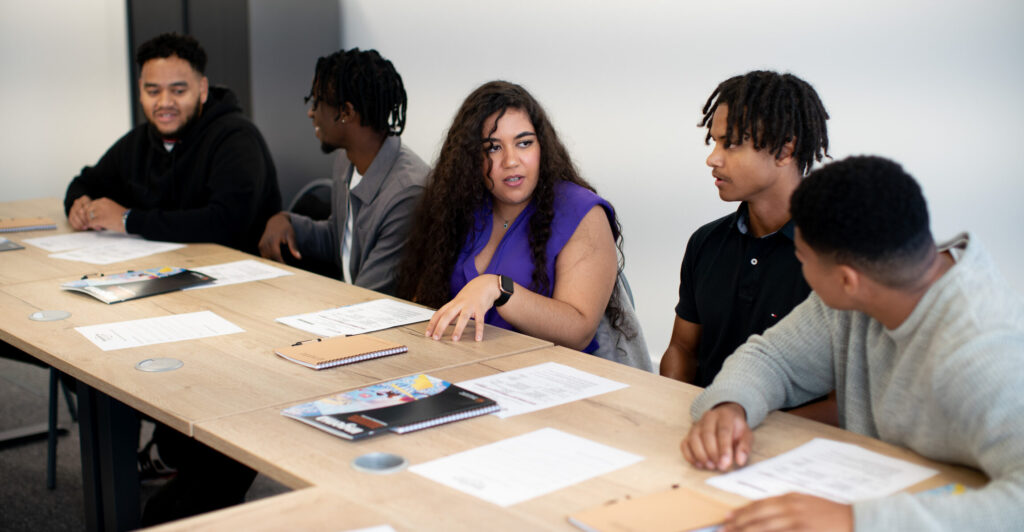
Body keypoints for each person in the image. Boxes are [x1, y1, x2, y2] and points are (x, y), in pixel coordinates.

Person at [681, 156, 1024, 531]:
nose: (802, 271)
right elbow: (773, 357)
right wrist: (732, 405)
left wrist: (855, 521)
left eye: (802, 259)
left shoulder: (989, 353)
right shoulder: (868, 289)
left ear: (847, 280)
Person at [396, 81, 639, 361]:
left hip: (550, 379)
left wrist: (497, 287)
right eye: (493, 148)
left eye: (524, 143)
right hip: (461, 366)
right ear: (471, 157)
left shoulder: (582, 211)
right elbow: (425, 300)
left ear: (542, 148)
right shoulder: (460, 205)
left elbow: (579, 330)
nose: (511, 161)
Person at [660, 71, 830, 391]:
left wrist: (738, 417)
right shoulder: (705, 243)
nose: (713, 158)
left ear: (784, 151)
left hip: (792, 435)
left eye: (732, 144)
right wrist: (673, 402)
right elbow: (682, 349)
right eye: (715, 141)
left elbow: (846, 396)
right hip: (705, 425)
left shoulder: (837, 254)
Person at [64, 33, 280, 255]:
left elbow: (225, 223)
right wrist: (79, 204)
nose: (165, 103)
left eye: (178, 91)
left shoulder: (236, 138)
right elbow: (86, 182)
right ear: (140, 90)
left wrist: (128, 220)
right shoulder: (141, 140)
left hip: (239, 275)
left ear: (202, 89)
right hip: (167, 266)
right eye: (153, 91)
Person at [258, 48, 428, 294]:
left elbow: (370, 296)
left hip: (377, 321)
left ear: (346, 112)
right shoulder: (345, 160)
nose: (311, 113)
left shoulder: (407, 193)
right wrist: (286, 221)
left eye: (317, 102)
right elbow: (341, 242)